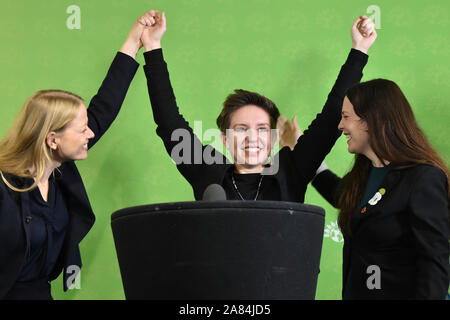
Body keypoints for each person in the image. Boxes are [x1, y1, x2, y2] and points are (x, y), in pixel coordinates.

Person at [140, 10, 377, 203]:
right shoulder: (208, 171)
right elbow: (169, 122)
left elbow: (330, 118)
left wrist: (359, 50)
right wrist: (152, 48)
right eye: (241, 129)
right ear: (224, 139)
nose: (252, 137)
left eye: (262, 129)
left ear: (273, 138)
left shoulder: (291, 169)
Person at [0, 11, 156, 299]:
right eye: (83, 129)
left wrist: (134, 41)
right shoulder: (4, 186)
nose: (91, 134)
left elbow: (104, 107)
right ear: (52, 139)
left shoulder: (60, 170)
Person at [281, 79, 450, 299]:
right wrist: (304, 153)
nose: (340, 125)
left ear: (370, 120)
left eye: (346, 117)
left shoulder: (424, 178)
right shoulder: (366, 173)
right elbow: (342, 196)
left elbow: (434, 261)